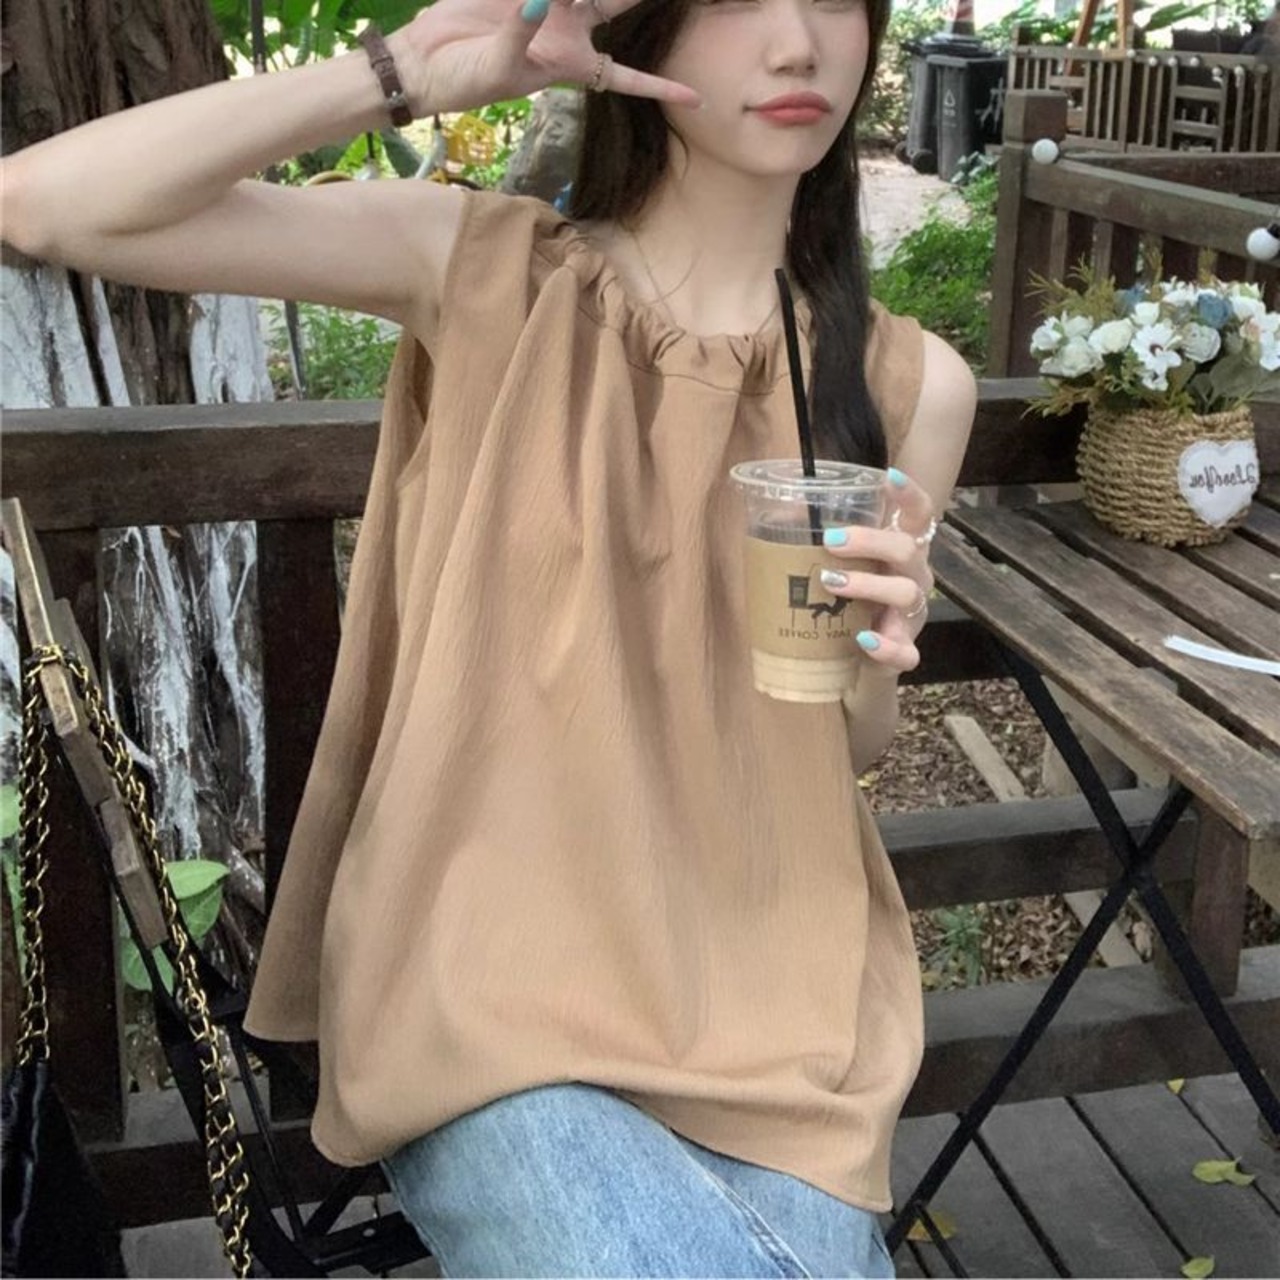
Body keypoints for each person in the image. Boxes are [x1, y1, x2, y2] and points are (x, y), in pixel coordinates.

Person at [1, 0, 976, 1273]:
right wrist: (408, 67)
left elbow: (847, 744)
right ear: (642, 26)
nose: (797, 43)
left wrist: (878, 654)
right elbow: (44, 204)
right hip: (479, 983)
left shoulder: (908, 385)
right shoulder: (482, 271)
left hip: (779, 1004)